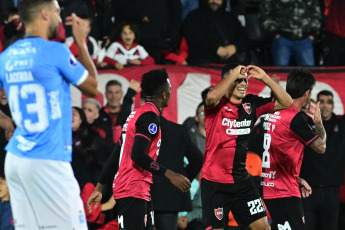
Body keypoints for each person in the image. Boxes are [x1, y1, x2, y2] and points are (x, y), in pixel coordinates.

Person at [0, 0, 99, 229]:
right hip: (47, 158)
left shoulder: (7, 55)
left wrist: (5, 121)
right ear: (44, 13)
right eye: (56, 11)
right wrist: (81, 42)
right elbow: (93, 87)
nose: (59, 17)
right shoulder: (55, 51)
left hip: (15, 158)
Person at [87, 68, 191, 230]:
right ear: (164, 94)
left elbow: (117, 154)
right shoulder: (150, 117)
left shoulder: (135, 115)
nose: (170, 92)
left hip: (140, 190)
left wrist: (99, 188)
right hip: (132, 190)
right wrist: (169, 174)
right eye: (169, 89)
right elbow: (137, 155)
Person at [202, 64, 293, 230]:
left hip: (242, 182)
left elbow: (287, 102)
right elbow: (211, 97)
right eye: (238, 80)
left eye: (245, 80)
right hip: (215, 183)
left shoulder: (252, 104)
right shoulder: (215, 106)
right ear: (227, 81)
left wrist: (265, 78)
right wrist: (232, 75)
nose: (243, 83)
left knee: (264, 228)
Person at [262, 68, 327, 230]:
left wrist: (296, 179)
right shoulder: (295, 118)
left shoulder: (274, 112)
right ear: (307, 93)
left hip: (268, 187)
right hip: (284, 193)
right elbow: (321, 147)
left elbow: (275, 153)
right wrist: (318, 123)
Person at [300, 90, 345, 230]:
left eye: (329, 102)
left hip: (331, 192)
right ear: (315, 105)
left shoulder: (342, 124)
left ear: (333, 106)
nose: (325, 106)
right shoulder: (304, 124)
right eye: (322, 102)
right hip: (308, 191)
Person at [151, 115, 203, 230]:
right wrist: (178, 179)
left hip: (140, 195)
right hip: (168, 198)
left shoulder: (134, 129)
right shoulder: (177, 130)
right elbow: (197, 159)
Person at [183, 0, 249, 65]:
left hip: (231, 63)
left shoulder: (231, 17)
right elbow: (194, 39)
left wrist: (234, 47)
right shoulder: (194, 16)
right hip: (202, 63)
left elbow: (243, 37)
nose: (214, 1)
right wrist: (216, 49)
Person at [258, 0, 321, 66]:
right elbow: (264, 12)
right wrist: (274, 32)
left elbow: (316, 13)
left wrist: (313, 33)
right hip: (282, 38)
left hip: (305, 38)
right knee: (280, 72)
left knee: (309, 72)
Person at [98, 79, 141, 143]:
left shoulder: (130, 116)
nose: (114, 96)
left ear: (121, 94)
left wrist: (128, 97)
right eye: (110, 92)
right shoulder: (99, 115)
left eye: (117, 92)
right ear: (106, 94)